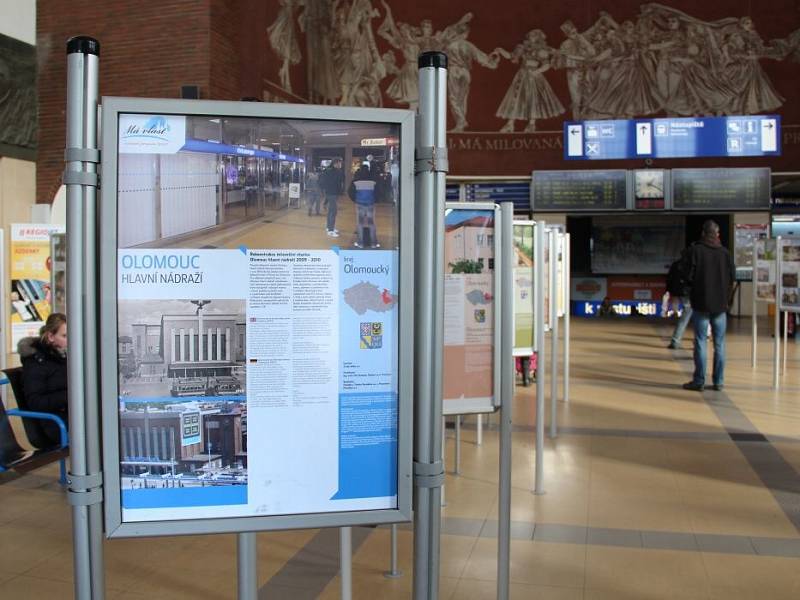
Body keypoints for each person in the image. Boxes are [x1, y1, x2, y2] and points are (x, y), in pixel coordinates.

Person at [682, 221, 735, 392]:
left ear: (703, 233)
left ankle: (699, 381)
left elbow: (687, 275)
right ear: (717, 234)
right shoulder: (725, 253)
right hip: (720, 305)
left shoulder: (695, 251)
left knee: (700, 342)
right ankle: (718, 381)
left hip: (701, 304)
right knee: (719, 344)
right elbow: (732, 277)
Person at [18, 313, 68, 445]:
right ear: (51, 336)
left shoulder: (64, 358)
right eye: (64, 336)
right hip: (55, 423)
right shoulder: (36, 364)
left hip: (69, 416)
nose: (70, 340)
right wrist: (67, 397)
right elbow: (35, 401)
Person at [666, 249, 693, 349]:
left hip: (676, 292)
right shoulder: (691, 266)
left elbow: (669, 278)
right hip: (688, 293)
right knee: (688, 316)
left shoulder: (676, 264)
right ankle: (676, 340)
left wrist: (669, 290)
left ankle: (675, 340)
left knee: (682, 314)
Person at [349, 163, 379, 248]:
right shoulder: (373, 180)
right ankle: (374, 243)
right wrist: (375, 200)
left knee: (360, 223)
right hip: (370, 204)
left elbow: (350, 192)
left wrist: (355, 199)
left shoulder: (356, 181)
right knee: (371, 223)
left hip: (360, 204)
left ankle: (360, 243)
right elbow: (378, 192)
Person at [319, 158, 344, 237]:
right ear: (335, 163)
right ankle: (330, 230)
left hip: (330, 192)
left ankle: (329, 227)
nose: (340, 165)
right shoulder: (334, 172)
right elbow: (339, 181)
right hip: (332, 193)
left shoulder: (328, 171)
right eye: (339, 163)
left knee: (330, 211)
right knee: (333, 212)